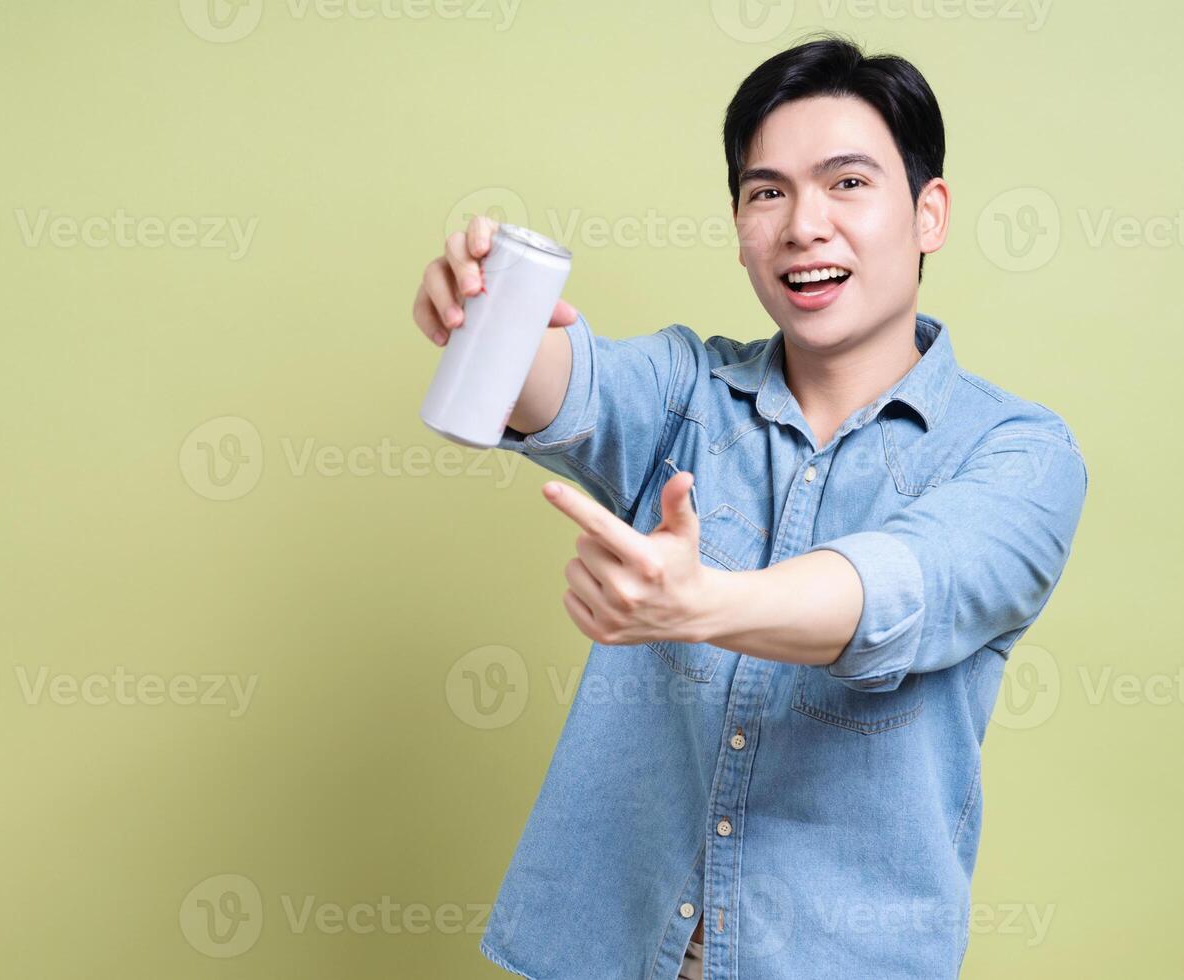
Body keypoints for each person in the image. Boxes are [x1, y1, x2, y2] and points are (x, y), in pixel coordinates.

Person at [412, 31, 1088, 980]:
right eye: (767, 191)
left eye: (847, 182)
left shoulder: (1018, 453)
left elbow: (901, 585)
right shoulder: (690, 388)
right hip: (605, 954)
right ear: (739, 226)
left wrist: (701, 606)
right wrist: (485, 310)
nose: (803, 224)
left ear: (929, 213)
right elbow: (568, 383)